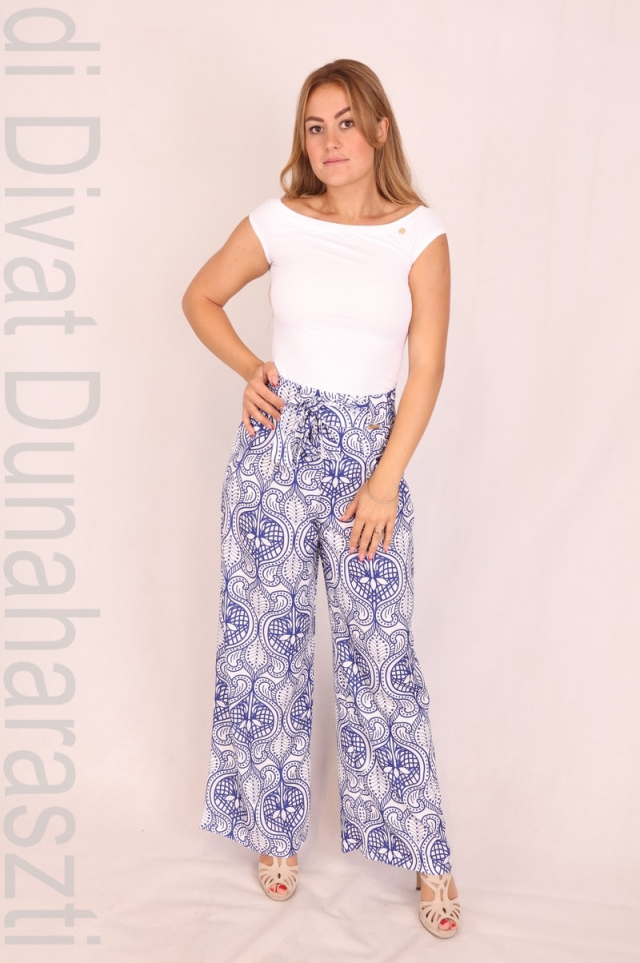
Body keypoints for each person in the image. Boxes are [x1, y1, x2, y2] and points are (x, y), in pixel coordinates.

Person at [182, 59, 461, 938]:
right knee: (263, 647)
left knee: (384, 659)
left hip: (368, 460)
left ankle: (426, 853)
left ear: (379, 130)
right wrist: (251, 368)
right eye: (314, 126)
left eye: (345, 122)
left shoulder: (419, 235)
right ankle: (273, 832)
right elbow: (201, 297)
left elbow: (426, 369)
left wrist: (384, 482)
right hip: (275, 452)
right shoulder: (279, 222)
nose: (330, 141)